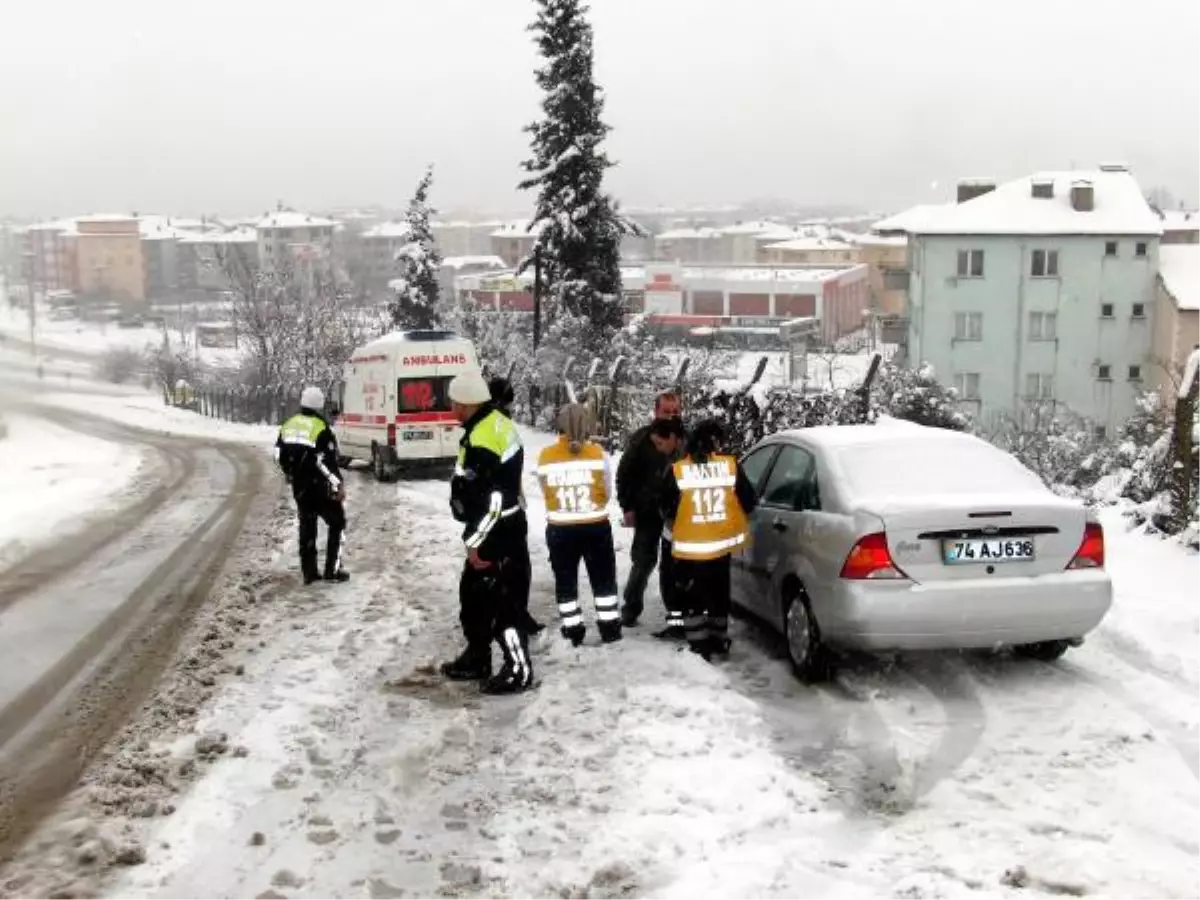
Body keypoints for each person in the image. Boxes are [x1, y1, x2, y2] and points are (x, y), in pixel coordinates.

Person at [442, 371, 534, 695]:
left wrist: (475, 543)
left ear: (465, 404)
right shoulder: (491, 423)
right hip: (497, 527)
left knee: (505, 606)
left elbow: (494, 500)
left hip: (498, 532)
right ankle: (477, 656)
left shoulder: (483, 438)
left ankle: (518, 670)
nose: (451, 407)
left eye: (454, 402)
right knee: (474, 596)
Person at [660, 419, 757, 660]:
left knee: (693, 595)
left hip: (689, 550)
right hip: (720, 546)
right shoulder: (730, 465)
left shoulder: (679, 468)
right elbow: (749, 501)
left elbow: (665, 506)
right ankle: (718, 639)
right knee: (718, 593)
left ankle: (698, 645)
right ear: (716, 441)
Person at [536, 403, 621, 647]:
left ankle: (572, 630)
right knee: (603, 580)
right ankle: (609, 628)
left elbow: (545, 489)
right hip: (595, 527)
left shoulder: (546, 456)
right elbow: (606, 491)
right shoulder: (598, 454)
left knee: (565, 581)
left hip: (560, 530)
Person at [616, 389, 685, 637]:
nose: (671, 416)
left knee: (675, 567)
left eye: (675, 411)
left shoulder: (687, 440)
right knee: (643, 561)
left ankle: (677, 617)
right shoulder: (643, 439)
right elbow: (624, 475)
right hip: (647, 510)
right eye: (666, 411)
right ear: (656, 411)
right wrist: (627, 507)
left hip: (678, 515)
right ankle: (631, 607)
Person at [275, 385, 349, 585]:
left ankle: (309, 573)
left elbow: (279, 454)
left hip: (300, 487)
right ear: (320, 405)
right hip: (320, 486)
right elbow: (329, 462)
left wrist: (290, 473)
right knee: (338, 523)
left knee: (307, 526)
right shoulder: (321, 428)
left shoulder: (288, 424)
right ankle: (332, 571)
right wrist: (338, 485)